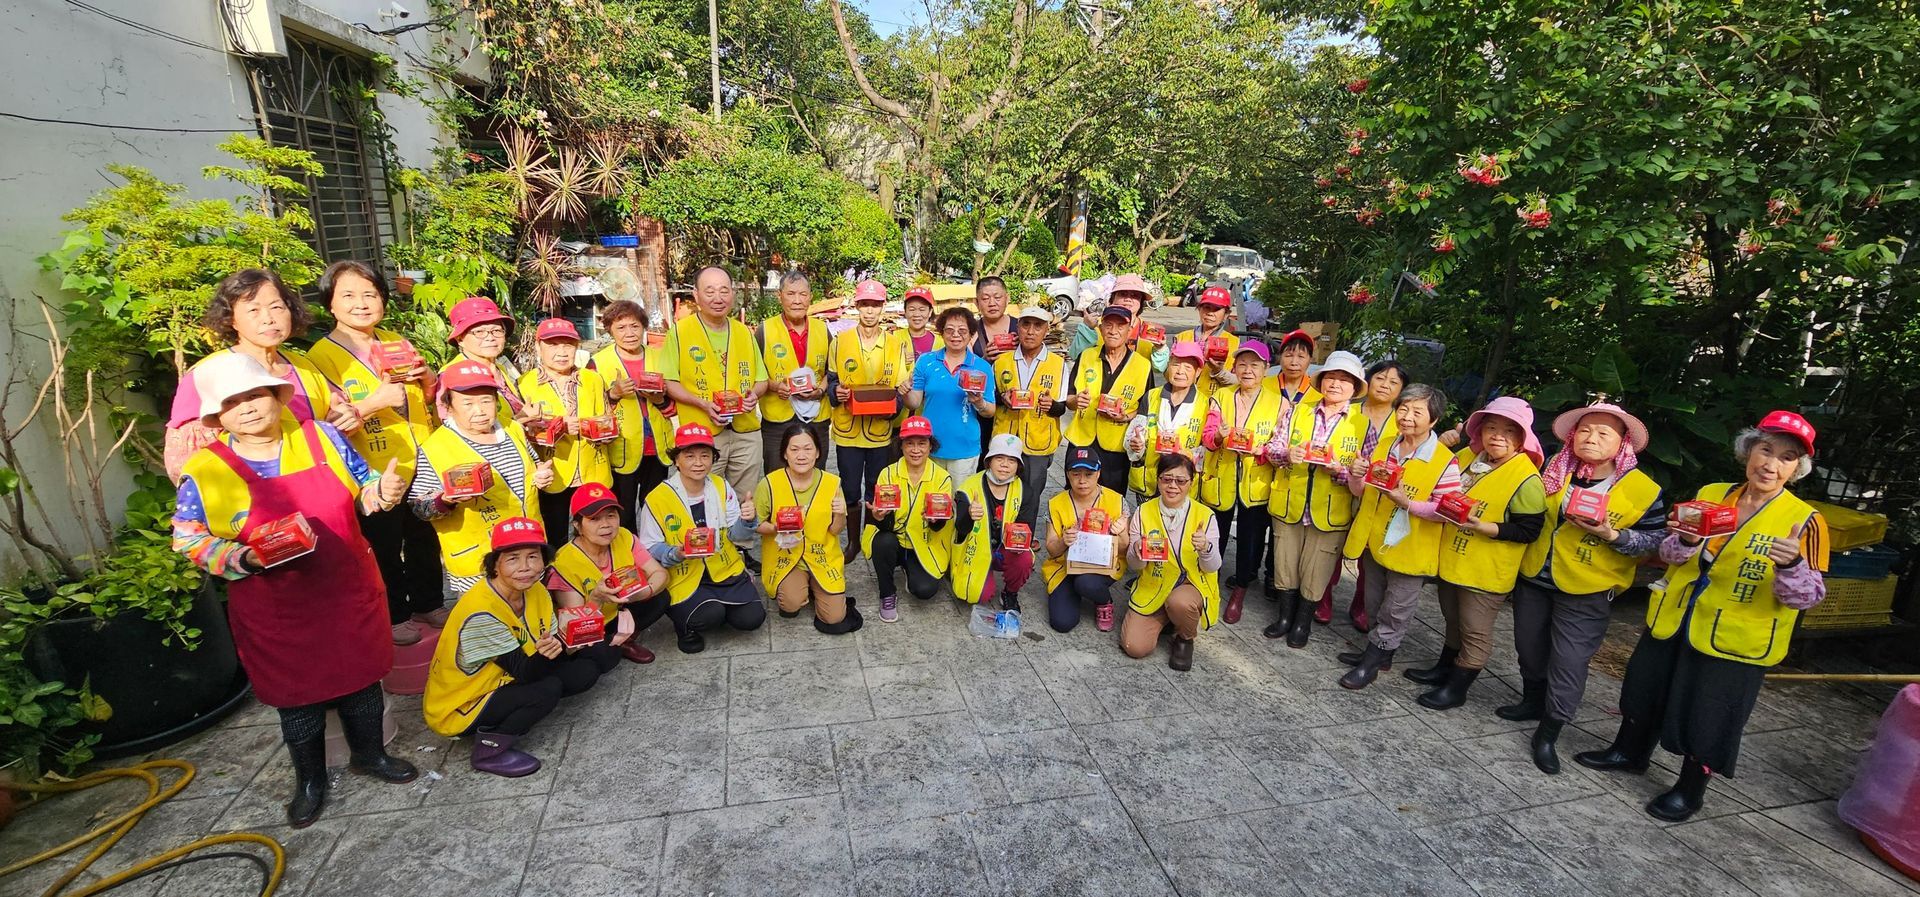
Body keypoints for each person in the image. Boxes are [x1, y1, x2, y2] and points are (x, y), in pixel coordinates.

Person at [172, 352, 415, 827]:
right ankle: (310, 781)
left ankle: (370, 756)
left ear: (276, 397)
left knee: (361, 681)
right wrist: (240, 557)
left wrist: (381, 493)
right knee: (297, 700)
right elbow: (187, 536)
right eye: (233, 402)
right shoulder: (204, 469)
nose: (247, 407)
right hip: (275, 606)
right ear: (218, 415)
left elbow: (363, 487)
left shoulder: (321, 436)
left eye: (256, 394)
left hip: (346, 590)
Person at [1578, 412, 1828, 822]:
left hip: (1736, 634)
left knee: (1710, 712)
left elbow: (1808, 597)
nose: (1770, 463)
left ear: (1796, 469)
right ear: (1748, 452)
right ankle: (1629, 752)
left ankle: (1689, 790)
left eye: (1786, 457)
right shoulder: (1712, 493)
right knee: (1646, 686)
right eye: (1764, 449)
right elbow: (1671, 556)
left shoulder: (1805, 521)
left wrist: (1791, 565)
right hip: (1677, 615)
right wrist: (1690, 541)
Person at [1501, 401, 1666, 768]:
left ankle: (1550, 729)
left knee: (1569, 660)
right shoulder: (1553, 471)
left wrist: (1613, 534)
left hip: (1588, 587)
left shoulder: (1642, 489)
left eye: (1603, 433)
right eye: (1586, 431)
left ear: (1622, 443)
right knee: (1528, 646)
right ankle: (1531, 700)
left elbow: (1654, 541)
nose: (1591, 438)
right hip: (1535, 577)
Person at [307, 260, 444, 645]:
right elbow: (324, 422)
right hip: (372, 469)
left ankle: (428, 602)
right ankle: (395, 613)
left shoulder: (395, 342)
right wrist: (374, 401)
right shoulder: (322, 356)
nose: (362, 303)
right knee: (383, 543)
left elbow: (425, 396)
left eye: (370, 294)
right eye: (348, 295)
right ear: (330, 304)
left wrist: (428, 379)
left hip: (419, 454)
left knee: (423, 535)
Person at [425, 517, 617, 778]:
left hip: (510, 674)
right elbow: (527, 671)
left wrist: (576, 638)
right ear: (495, 564)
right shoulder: (481, 612)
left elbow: (552, 642)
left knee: (589, 665)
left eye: (533, 557)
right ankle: (489, 749)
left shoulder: (536, 590)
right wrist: (561, 646)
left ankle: (516, 711)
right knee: (547, 689)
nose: (525, 568)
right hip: (463, 704)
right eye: (513, 558)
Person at [1404, 396, 1547, 714]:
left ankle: (1457, 688)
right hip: (1453, 558)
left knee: (1475, 629)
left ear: (1522, 438)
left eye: (1509, 431)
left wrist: (1486, 527)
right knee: (1453, 619)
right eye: (1491, 427)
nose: (1497, 435)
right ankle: (1444, 668)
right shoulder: (1470, 456)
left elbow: (1528, 531)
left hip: (1486, 570)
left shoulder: (1526, 479)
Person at [165, 268, 358, 482]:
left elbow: (333, 427)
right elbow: (186, 463)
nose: (268, 319)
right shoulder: (208, 374)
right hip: (251, 500)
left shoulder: (305, 367)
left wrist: (346, 418)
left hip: (317, 490)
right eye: (253, 310)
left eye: (276, 307)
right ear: (231, 319)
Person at [1338, 383, 1458, 689]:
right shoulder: (1385, 444)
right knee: (1375, 600)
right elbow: (1361, 491)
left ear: (1433, 420)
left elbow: (1447, 510)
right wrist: (1355, 474)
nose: (1407, 416)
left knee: (1397, 607)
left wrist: (1408, 503)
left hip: (1411, 546)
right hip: (1376, 538)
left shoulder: (1445, 460)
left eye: (1417, 412)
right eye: (1403, 409)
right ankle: (1380, 652)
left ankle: (1372, 662)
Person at [409, 361, 556, 601]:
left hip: (527, 551)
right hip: (479, 560)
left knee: (530, 619)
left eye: (486, 401)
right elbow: (418, 506)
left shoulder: (512, 429)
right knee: (486, 627)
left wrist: (541, 475)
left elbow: (532, 464)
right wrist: (445, 500)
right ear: (448, 405)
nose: (479, 411)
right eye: (467, 403)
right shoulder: (435, 448)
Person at [1262, 350, 1368, 644]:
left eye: (1345, 380)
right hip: (1290, 501)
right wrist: (1286, 453)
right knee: (1285, 562)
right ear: (1321, 381)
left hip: (1330, 508)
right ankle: (1284, 617)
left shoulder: (1363, 424)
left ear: (1355, 387)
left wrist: (1343, 471)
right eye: (1331, 377)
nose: (1336, 383)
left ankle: (1303, 622)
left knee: (1317, 568)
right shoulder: (1299, 411)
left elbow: (1366, 472)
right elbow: (1271, 448)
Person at [637, 423, 767, 653]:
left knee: (752, 619)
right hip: (685, 574)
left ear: (713, 459)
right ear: (676, 460)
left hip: (724, 569)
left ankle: (719, 603)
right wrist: (675, 553)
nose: (698, 462)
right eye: (689, 456)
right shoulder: (657, 498)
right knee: (710, 616)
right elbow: (648, 546)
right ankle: (686, 625)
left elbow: (735, 535)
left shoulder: (719, 485)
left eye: (705, 455)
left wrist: (748, 521)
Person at [660, 266, 770, 508]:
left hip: (745, 431)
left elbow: (761, 379)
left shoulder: (743, 332)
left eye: (724, 290)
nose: (718, 298)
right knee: (705, 496)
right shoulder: (680, 333)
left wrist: (754, 394)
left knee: (745, 497)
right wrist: (702, 403)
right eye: (709, 291)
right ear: (696, 297)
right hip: (703, 433)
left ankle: (740, 545)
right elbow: (669, 382)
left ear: (733, 294)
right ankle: (710, 545)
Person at [1316, 360, 1411, 629]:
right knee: (1332, 544)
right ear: (1367, 381)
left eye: (1394, 382)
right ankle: (1323, 599)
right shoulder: (1348, 409)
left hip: (1379, 498)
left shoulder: (1403, 420)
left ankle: (1361, 604)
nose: (1385, 385)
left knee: (1367, 553)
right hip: (1339, 488)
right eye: (1381, 378)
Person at [1198, 340, 1286, 619]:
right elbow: (1208, 436)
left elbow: (1280, 446)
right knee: (1216, 534)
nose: (1248, 370)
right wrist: (1221, 436)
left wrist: (1263, 451)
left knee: (1252, 538)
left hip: (1256, 481)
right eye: (1243, 364)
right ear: (1234, 367)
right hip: (1221, 475)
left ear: (1266, 369)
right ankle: (1207, 584)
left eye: (1255, 365)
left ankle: (1240, 589)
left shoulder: (1280, 404)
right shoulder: (1221, 396)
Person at [827, 280, 911, 560]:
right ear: (856, 306)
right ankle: (852, 542)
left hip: (879, 431)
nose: (870, 311)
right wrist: (835, 392)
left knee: (877, 487)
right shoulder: (840, 343)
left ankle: (870, 538)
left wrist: (890, 409)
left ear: (883, 307)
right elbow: (831, 381)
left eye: (875, 305)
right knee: (850, 487)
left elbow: (900, 388)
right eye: (865, 304)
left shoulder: (894, 345)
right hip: (847, 431)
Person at [547, 482, 671, 665]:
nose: (606, 525)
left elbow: (661, 574)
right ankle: (616, 643)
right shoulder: (563, 563)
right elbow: (577, 628)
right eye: (594, 519)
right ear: (578, 525)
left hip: (620, 610)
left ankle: (624, 639)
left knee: (661, 599)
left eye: (611, 516)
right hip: (592, 624)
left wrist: (642, 593)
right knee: (603, 658)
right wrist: (597, 598)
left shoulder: (624, 536)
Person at [753, 425, 860, 634]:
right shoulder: (769, 483)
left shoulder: (831, 483)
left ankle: (815, 587)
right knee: (790, 604)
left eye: (808, 449)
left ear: (818, 452)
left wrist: (840, 514)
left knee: (835, 618)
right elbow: (757, 524)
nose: (801, 456)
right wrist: (776, 527)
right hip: (786, 555)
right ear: (784, 453)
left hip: (821, 555)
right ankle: (801, 587)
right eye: (794, 450)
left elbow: (836, 531)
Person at [519, 318, 614, 547]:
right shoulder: (524, 383)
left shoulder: (592, 379)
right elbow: (520, 431)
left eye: (568, 344)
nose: (562, 352)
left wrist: (598, 428)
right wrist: (557, 427)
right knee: (555, 536)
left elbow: (607, 419)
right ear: (538, 346)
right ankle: (558, 581)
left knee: (597, 534)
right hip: (554, 472)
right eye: (553, 345)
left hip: (593, 469)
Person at [1123, 453, 1220, 671]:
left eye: (1181, 481)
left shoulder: (1205, 515)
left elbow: (1212, 566)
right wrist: (1138, 552)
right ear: (1157, 480)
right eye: (1166, 479)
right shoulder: (1143, 512)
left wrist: (1206, 547)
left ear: (1191, 484)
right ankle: (1167, 619)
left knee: (1180, 603)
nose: (1173, 486)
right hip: (1155, 585)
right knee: (1134, 646)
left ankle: (1185, 638)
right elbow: (1133, 565)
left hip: (1189, 585)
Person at [589, 299, 676, 532]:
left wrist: (659, 400)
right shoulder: (598, 363)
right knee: (623, 510)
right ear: (610, 330)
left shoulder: (661, 357)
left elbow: (675, 407)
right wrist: (614, 394)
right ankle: (627, 555)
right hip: (622, 449)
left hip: (658, 449)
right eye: (621, 327)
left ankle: (654, 555)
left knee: (655, 507)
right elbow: (591, 411)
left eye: (635, 326)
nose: (629, 333)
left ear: (644, 327)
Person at [863, 416, 956, 621]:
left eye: (922, 443)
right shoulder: (888, 473)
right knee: (882, 541)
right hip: (893, 538)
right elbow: (884, 522)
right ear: (901, 446)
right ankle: (887, 593)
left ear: (931, 446)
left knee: (924, 590)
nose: (916, 450)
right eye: (910, 444)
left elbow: (939, 525)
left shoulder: (942, 478)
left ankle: (910, 570)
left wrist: (936, 520)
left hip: (922, 543)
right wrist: (877, 516)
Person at [992, 306, 1070, 525]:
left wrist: (1051, 405)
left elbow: (1062, 406)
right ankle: (997, 536)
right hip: (1005, 437)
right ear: (1018, 327)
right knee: (1000, 490)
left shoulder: (1058, 364)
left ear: (1046, 330)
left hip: (1038, 440)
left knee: (1031, 494)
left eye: (1038, 326)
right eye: (1026, 324)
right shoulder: (1002, 362)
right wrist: (1003, 398)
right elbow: (992, 398)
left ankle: (1022, 542)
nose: (1031, 331)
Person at [1065, 304, 1155, 495]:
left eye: (1120, 326)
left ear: (1129, 329)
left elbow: (1146, 410)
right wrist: (1076, 401)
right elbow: (1069, 398)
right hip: (1082, 439)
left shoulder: (1142, 365)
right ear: (1101, 327)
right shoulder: (1086, 356)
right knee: (1076, 496)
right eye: (1108, 325)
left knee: (1112, 499)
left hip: (1116, 445)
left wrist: (1125, 416)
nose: (1113, 331)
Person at [1043, 447, 1127, 633]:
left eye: (1088, 474)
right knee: (1062, 623)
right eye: (1076, 474)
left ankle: (1104, 601)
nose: (1082, 481)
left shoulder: (1116, 500)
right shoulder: (1056, 503)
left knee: (1086, 583)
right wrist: (1063, 540)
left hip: (1102, 566)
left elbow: (1123, 550)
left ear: (1098, 473)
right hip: (1064, 566)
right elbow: (1051, 549)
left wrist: (1119, 533)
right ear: (1067, 475)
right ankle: (1072, 591)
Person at [908, 307, 998, 479]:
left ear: (971, 334)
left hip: (965, 449)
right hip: (929, 446)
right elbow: (914, 403)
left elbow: (990, 411)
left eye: (962, 330)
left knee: (960, 502)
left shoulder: (981, 367)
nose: (955, 335)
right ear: (942, 333)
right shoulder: (926, 361)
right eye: (949, 330)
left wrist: (979, 403)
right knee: (932, 502)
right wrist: (905, 393)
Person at [756, 272, 832, 476]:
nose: (797, 300)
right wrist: (774, 386)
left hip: (816, 416)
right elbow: (755, 372)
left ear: (810, 297)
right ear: (779, 296)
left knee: (816, 475)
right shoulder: (765, 330)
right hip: (778, 418)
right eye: (790, 294)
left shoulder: (822, 329)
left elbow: (833, 370)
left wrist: (821, 390)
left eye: (802, 294)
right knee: (777, 475)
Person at [951, 434, 1035, 614]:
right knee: (977, 596)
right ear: (989, 461)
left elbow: (1028, 530)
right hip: (975, 550)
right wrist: (969, 515)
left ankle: (1010, 593)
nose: (1005, 465)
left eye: (1012, 460)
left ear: (1018, 466)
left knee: (1025, 559)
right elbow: (960, 529)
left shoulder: (1025, 491)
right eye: (999, 458)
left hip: (1004, 550)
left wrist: (1018, 540)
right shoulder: (969, 487)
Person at [1124, 341, 1210, 501]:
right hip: (1150, 482)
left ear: (1198, 372)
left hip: (1182, 484)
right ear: (1168, 365)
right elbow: (1136, 432)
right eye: (1176, 365)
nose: (1180, 372)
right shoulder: (1151, 397)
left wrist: (1190, 455)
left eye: (1188, 367)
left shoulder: (1206, 404)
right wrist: (1136, 443)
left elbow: (1209, 447)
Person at [439, 296, 528, 420]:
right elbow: (454, 425)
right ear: (460, 339)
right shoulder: (451, 375)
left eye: (496, 330)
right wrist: (520, 420)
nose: (490, 337)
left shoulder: (499, 368)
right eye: (479, 332)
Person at [1067, 275, 1170, 373]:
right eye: (1123, 294)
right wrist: (1087, 329)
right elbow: (1076, 355)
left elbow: (1159, 369)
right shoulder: (1095, 325)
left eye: (1135, 296)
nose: (1128, 299)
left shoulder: (1149, 331)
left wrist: (1159, 349)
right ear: (1113, 299)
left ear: (1140, 302)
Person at [971, 276, 1018, 456]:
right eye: (985, 298)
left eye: (997, 297)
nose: (992, 303)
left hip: (1014, 409)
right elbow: (962, 367)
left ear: (1007, 298)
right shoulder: (971, 330)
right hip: (981, 407)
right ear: (977, 302)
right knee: (982, 457)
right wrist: (984, 359)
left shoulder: (1021, 327)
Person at [1172, 285, 1239, 395]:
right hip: (1182, 399)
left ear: (1226, 314)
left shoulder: (1234, 343)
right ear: (1199, 309)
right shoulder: (1182, 337)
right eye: (1207, 307)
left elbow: (1238, 382)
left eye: (1217, 309)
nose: (1210, 313)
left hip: (1214, 403)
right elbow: (1168, 372)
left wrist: (1218, 371)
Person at [1268, 329, 1319, 406]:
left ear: (1310, 360)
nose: (1294, 363)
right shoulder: (1264, 386)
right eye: (1289, 355)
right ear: (1280, 357)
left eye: (1301, 356)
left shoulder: (1318, 391)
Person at [903, 286, 937, 357]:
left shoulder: (941, 342)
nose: (917, 314)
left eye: (922, 310)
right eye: (912, 309)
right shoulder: (892, 338)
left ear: (930, 312)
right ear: (905, 312)